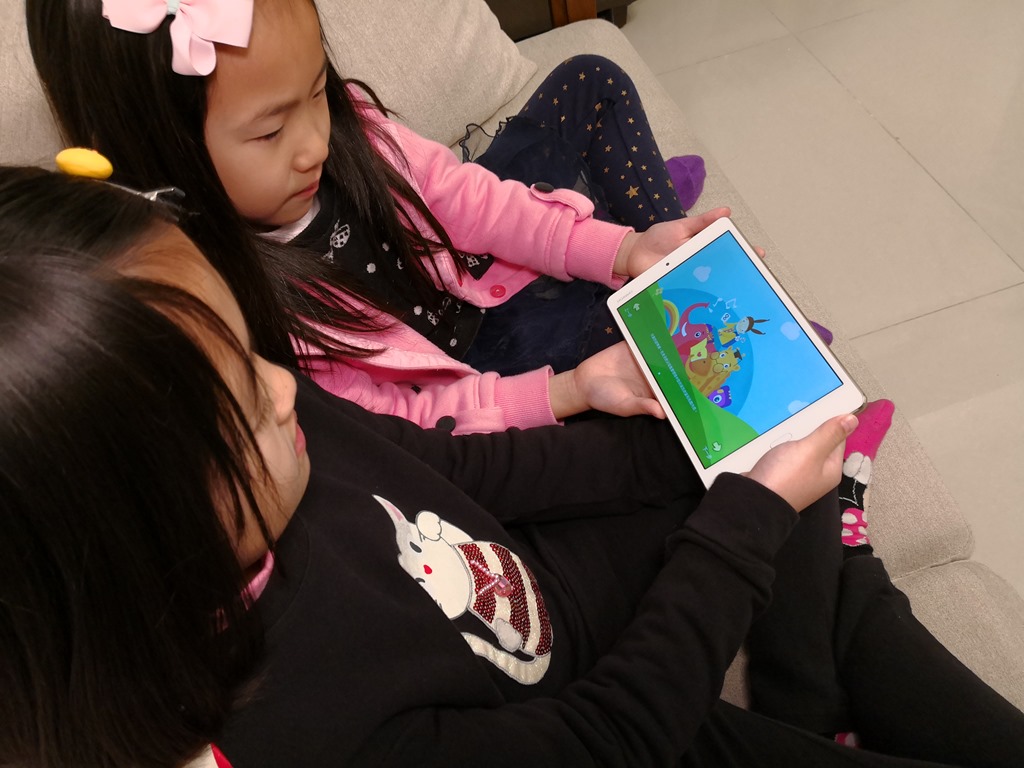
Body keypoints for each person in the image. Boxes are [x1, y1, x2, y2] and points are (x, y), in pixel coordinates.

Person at [3, 166, 1024, 768]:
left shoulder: (277, 432)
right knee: (779, 519)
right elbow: (610, 737)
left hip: (559, 604)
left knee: (763, 441)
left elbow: (458, 470)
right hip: (611, 721)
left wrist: (658, 437)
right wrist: (743, 523)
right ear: (127, 535)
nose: (282, 386)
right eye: (235, 396)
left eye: (248, 348)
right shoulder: (311, 731)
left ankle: (819, 638)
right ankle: (828, 606)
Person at [25, 0, 731, 435]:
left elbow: (460, 196)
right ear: (162, 151)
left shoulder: (347, 127)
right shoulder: (241, 308)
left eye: (317, 92)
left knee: (590, 79)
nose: (314, 143)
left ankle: (652, 241)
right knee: (633, 339)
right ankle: (627, 225)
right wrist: (558, 396)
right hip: (478, 364)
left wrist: (621, 249)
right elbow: (408, 424)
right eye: (270, 131)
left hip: (471, 266)